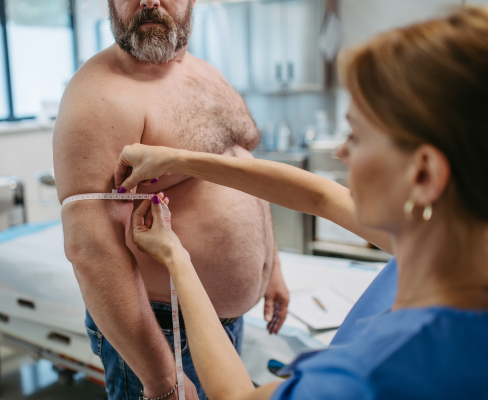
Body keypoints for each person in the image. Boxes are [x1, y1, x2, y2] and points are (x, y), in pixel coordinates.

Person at [115, 6, 488, 399]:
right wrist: (178, 159)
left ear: (425, 174)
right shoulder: (453, 245)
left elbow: (237, 397)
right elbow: (319, 195)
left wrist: (176, 259)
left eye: (357, 136)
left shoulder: (366, 376)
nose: (342, 152)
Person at [53, 0, 299, 398]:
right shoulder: (98, 97)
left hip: (216, 321)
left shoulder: (207, 73)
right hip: (163, 332)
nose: (149, 1)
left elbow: (244, 169)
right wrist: (160, 378)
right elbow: (92, 249)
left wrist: (272, 269)